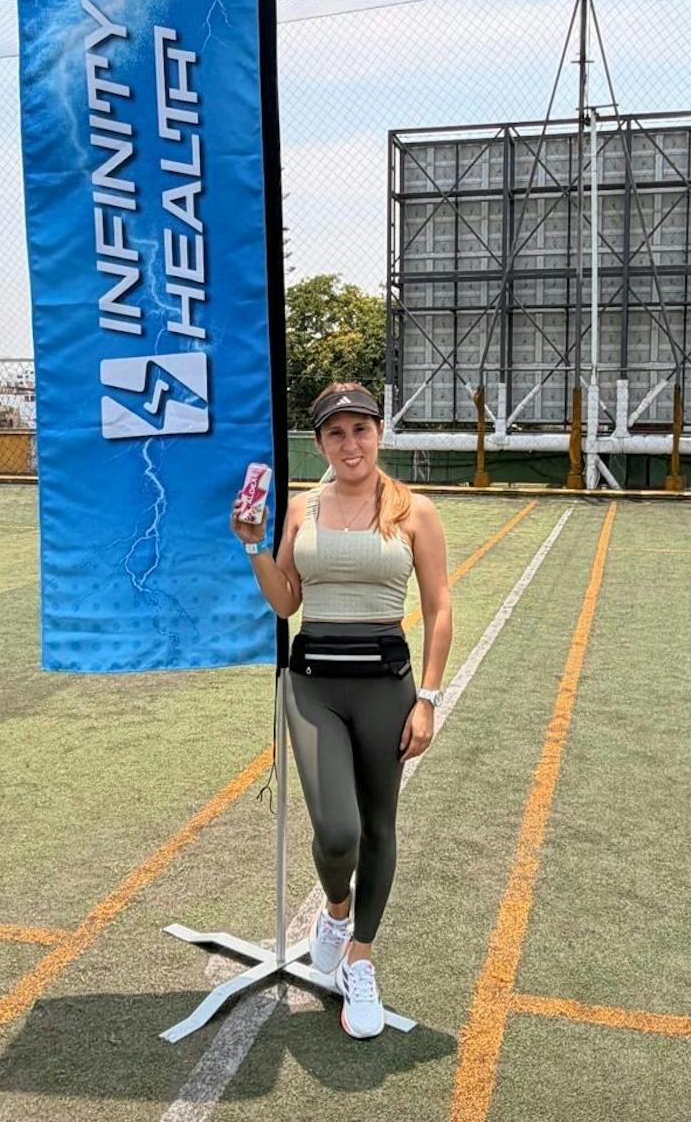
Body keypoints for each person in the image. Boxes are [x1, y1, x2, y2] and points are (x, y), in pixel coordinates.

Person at [231, 381, 452, 1039]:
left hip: (386, 684)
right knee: (336, 831)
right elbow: (286, 602)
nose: (350, 444)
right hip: (314, 685)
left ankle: (361, 957)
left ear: (379, 434)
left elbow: (439, 608)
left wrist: (428, 699)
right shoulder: (301, 508)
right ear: (321, 442)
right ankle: (335, 910)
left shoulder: (414, 511)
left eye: (361, 429)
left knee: (379, 825)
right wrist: (253, 546)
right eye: (336, 432)